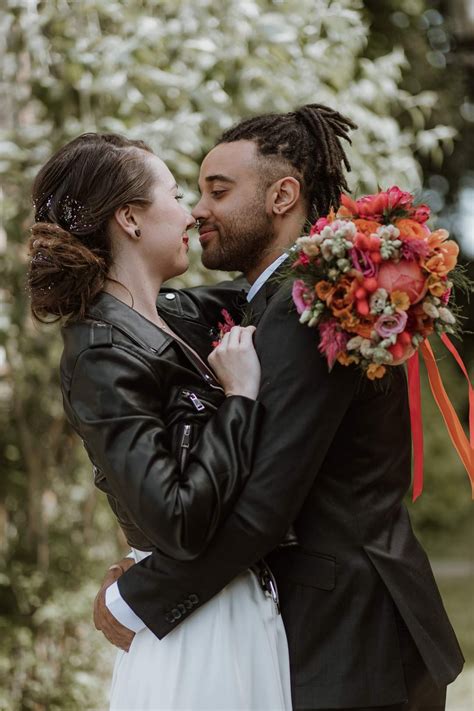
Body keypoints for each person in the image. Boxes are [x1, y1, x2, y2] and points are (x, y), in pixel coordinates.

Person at [96, 105, 464, 711]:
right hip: (346, 627)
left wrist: (138, 597)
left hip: (351, 641)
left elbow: (267, 501)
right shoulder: (283, 296)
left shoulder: (306, 306)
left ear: (282, 195)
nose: (197, 211)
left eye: (219, 190)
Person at [27, 132, 292, 710]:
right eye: (175, 194)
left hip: (240, 610)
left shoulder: (180, 317)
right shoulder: (101, 354)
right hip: (198, 637)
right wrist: (240, 400)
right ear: (131, 219)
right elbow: (177, 520)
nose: (193, 212)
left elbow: (279, 286)